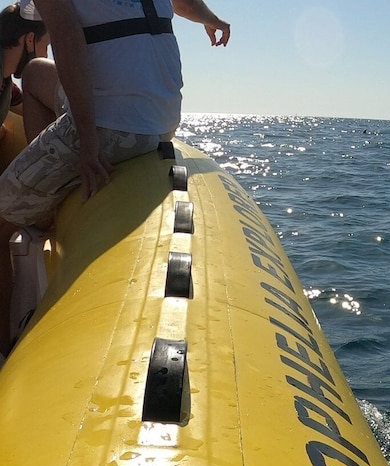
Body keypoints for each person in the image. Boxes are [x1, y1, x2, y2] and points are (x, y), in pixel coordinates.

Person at [0, 0, 230, 356]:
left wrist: (87, 143)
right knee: (34, 75)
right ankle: (43, 184)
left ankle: (5, 347)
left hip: (110, 126)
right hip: (163, 122)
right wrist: (211, 19)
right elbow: (181, 2)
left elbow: (65, 35)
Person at [0, 1, 49, 141]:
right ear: (30, 39)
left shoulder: (7, 87)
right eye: (45, 45)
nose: (45, 56)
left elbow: (30, 111)